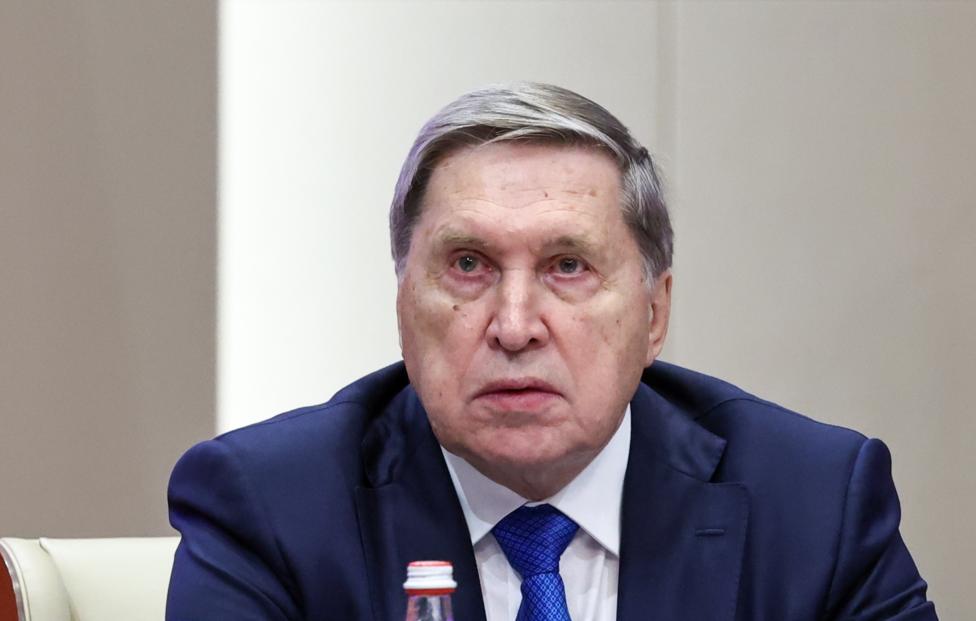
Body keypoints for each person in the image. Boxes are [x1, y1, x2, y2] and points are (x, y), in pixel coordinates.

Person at [166, 83, 937, 620]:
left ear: (654, 313)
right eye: (468, 265)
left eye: (568, 266)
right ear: (403, 305)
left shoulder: (811, 504)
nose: (514, 326)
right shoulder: (272, 508)